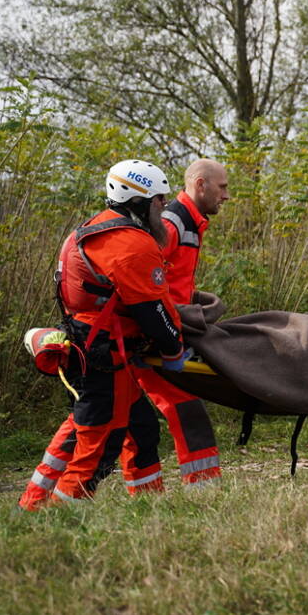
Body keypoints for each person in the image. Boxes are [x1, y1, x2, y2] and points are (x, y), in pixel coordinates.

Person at [19, 160, 188, 509]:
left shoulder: (93, 229)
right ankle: (57, 517)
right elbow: (152, 311)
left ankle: (147, 506)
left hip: (96, 348)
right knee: (99, 444)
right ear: (140, 200)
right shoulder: (129, 244)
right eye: (159, 200)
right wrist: (174, 350)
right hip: (104, 355)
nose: (164, 207)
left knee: (138, 429)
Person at [129, 158, 229, 487]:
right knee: (184, 405)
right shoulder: (173, 222)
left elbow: (168, 278)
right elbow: (142, 277)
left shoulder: (188, 221)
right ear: (200, 184)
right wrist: (159, 330)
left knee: (126, 419)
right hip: (150, 335)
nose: (226, 195)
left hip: (159, 331)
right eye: (222, 187)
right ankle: (204, 487)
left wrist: (190, 299)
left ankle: (144, 492)